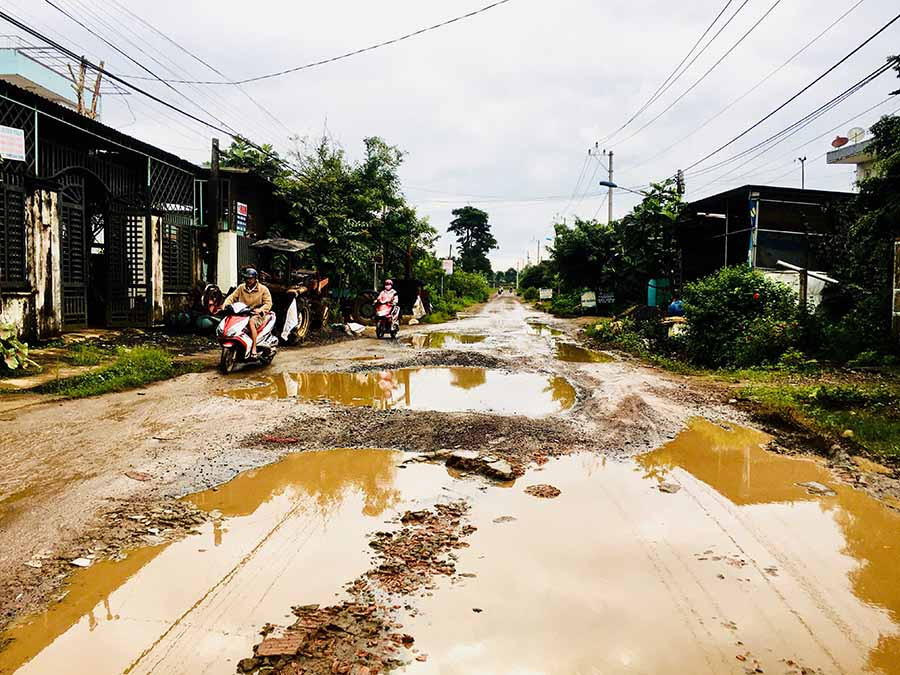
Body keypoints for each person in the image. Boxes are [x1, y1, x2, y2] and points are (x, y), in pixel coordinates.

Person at [223, 268, 272, 358]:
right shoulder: (241, 287)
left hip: (256, 314)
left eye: (250, 278)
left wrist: (261, 310)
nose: (248, 280)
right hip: (242, 313)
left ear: (255, 279)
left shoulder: (263, 289)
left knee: (251, 323)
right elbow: (232, 297)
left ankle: (253, 348)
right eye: (246, 278)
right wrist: (225, 305)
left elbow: (268, 303)